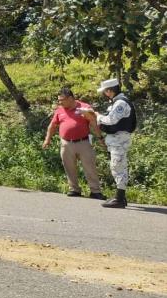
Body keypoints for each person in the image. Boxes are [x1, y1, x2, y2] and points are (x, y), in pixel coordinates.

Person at [81, 78, 137, 209]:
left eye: (105, 91)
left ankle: (120, 198)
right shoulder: (118, 102)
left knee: (118, 167)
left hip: (119, 140)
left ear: (110, 91)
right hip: (117, 140)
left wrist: (97, 116)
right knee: (118, 166)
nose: (104, 94)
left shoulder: (120, 103)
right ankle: (120, 197)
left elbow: (111, 120)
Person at [42, 87, 105, 199]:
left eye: (62, 100)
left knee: (89, 166)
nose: (60, 102)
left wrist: (100, 137)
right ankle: (74, 189)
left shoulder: (84, 107)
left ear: (71, 98)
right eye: (59, 100)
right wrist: (47, 139)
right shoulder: (60, 110)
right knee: (69, 167)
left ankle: (95, 191)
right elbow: (52, 126)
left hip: (83, 142)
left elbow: (93, 122)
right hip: (66, 143)